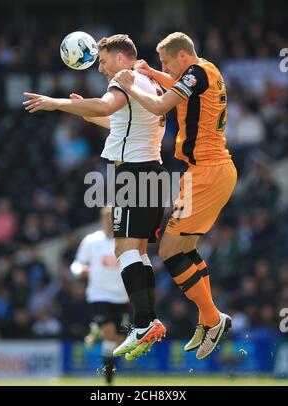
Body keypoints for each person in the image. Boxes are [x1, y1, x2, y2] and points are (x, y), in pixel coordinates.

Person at [23, 34, 167, 359]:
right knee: (138, 252)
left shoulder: (124, 77)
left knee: (124, 249)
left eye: (102, 61)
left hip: (134, 173)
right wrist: (83, 110)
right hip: (152, 171)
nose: (100, 68)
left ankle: (144, 322)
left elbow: (106, 105)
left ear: (119, 58)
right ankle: (148, 321)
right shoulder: (148, 82)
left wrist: (57, 102)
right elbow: (115, 119)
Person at [114, 32, 237, 360]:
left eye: (167, 62)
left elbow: (159, 104)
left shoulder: (195, 73)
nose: (165, 67)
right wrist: (154, 73)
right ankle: (210, 317)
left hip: (208, 173)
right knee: (184, 248)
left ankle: (213, 318)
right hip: (207, 171)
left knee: (169, 251)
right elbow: (181, 84)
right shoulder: (206, 69)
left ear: (183, 57)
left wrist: (130, 85)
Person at [70, 206, 129, 385]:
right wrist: (80, 271)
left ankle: (96, 331)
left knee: (119, 341)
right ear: (102, 220)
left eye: (113, 218)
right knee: (110, 336)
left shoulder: (127, 241)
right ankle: (109, 382)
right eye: (107, 217)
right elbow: (77, 264)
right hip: (99, 296)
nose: (110, 221)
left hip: (122, 297)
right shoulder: (91, 241)